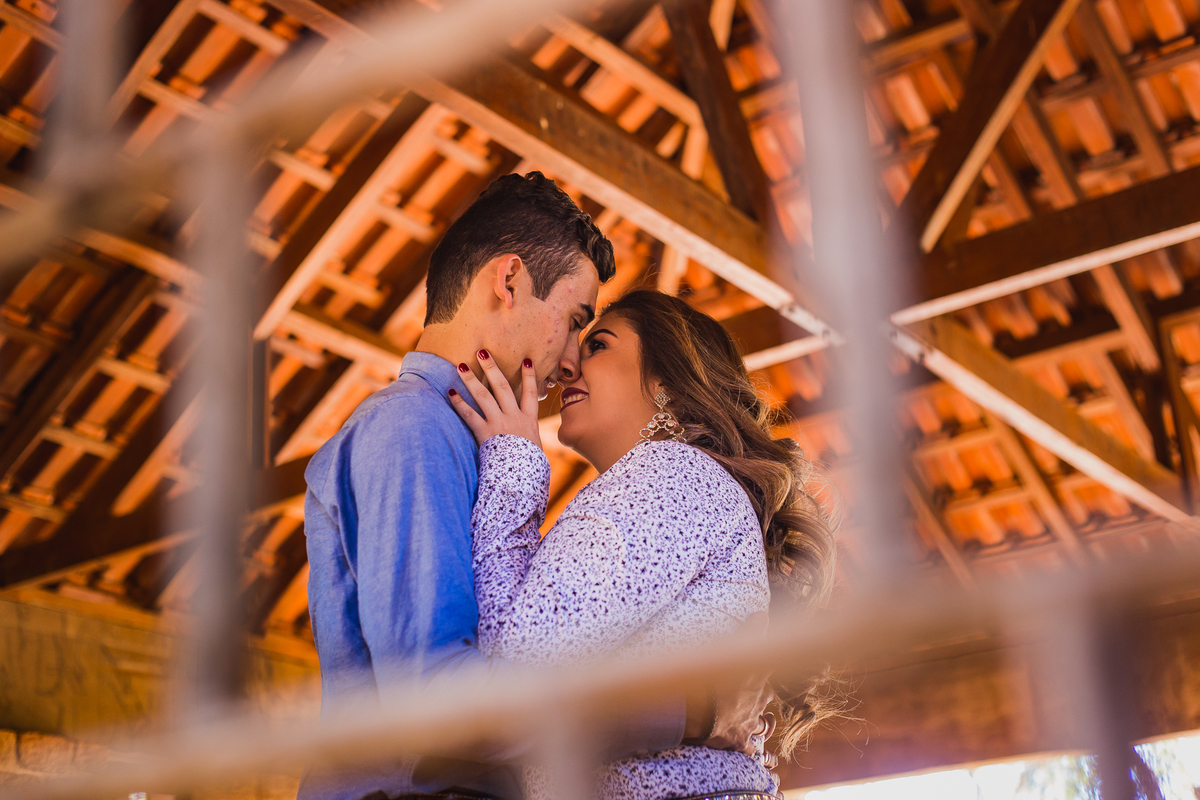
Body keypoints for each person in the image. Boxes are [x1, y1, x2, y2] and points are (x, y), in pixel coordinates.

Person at [300, 174, 772, 800]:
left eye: (592, 336)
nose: (572, 354)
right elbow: (442, 702)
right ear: (510, 281)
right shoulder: (411, 428)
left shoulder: (484, 447)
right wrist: (688, 714)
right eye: (577, 319)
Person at [449, 289, 839, 800]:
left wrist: (515, 468)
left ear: (667, 385)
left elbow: (514, 677)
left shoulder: (672, 476)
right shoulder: (677, 486)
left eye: (598, 346)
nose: (568, 366)